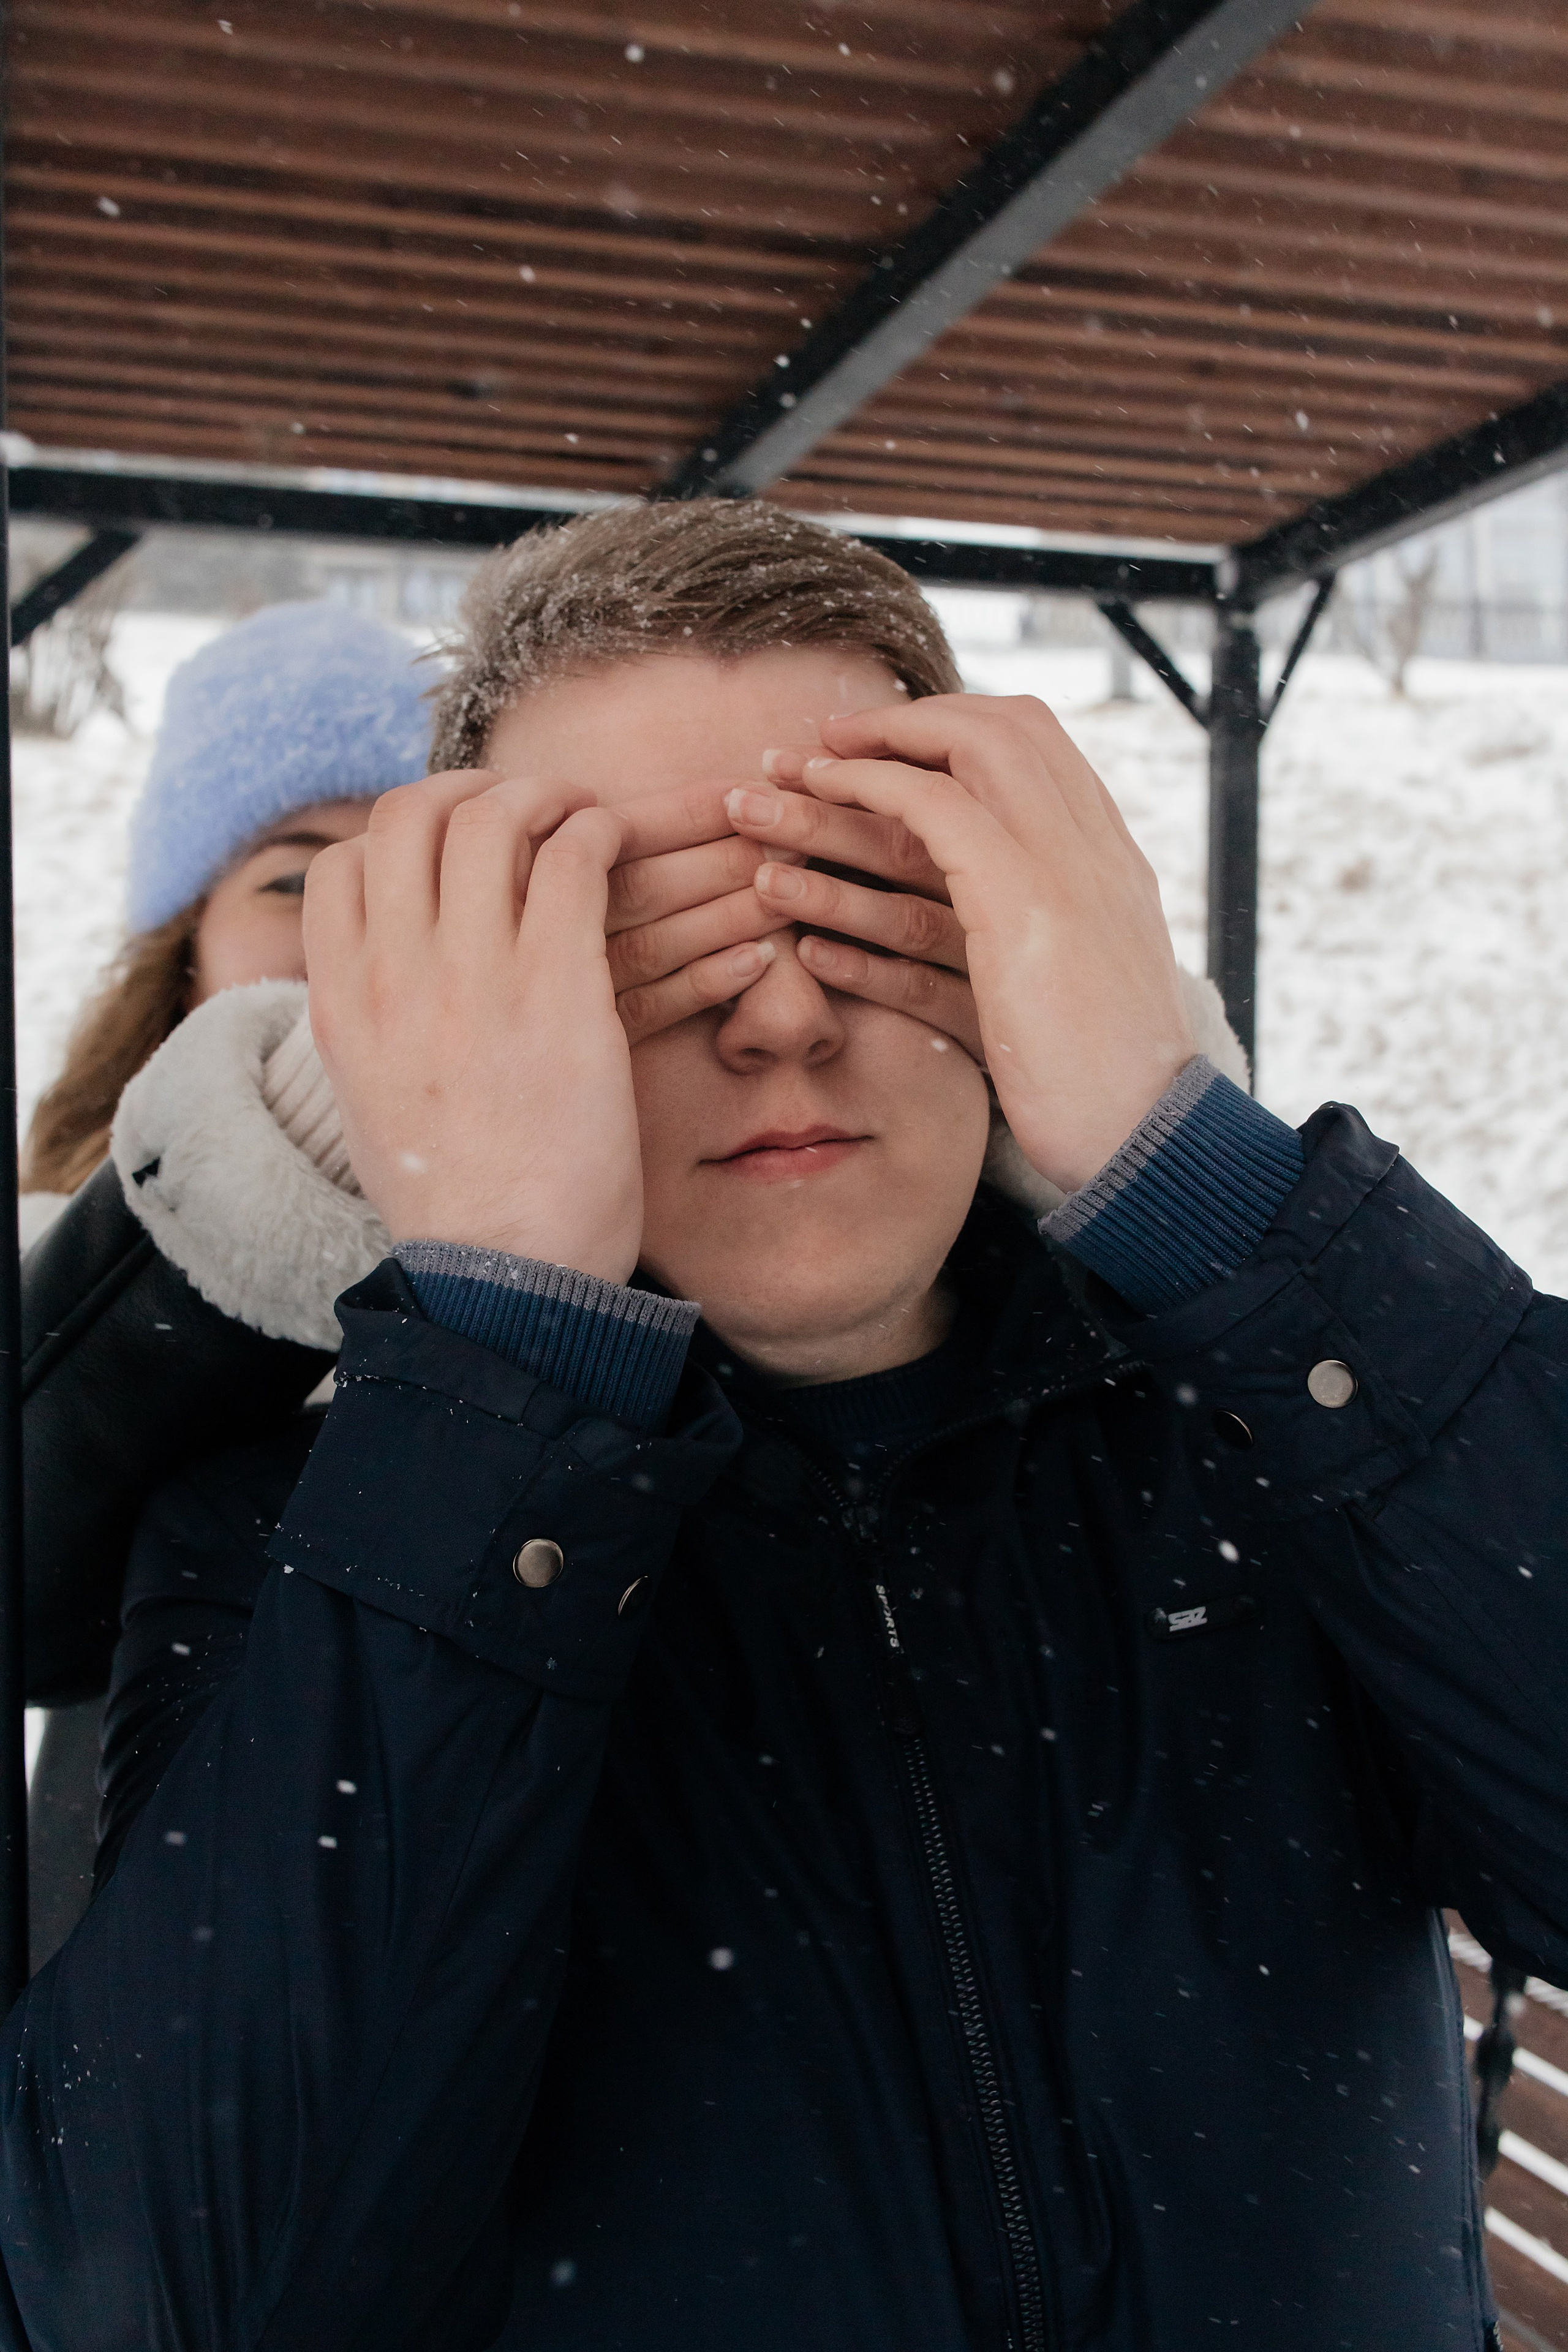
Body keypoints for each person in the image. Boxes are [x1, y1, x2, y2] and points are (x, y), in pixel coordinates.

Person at [3, 500, 1559, 2352]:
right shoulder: (295, 1541)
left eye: (866, 905)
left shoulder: (1265, 1434)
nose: (781, 1012)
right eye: (643, 941)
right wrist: (505, 1345)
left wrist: (1200, 1182)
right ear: (481, 1013)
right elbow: (171, 2300)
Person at [20, 602, 432, 1952]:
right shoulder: (59, 1241)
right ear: (185, 934)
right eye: (295, 882)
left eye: (410, 878)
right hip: (129, 1919)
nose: (354, 923)